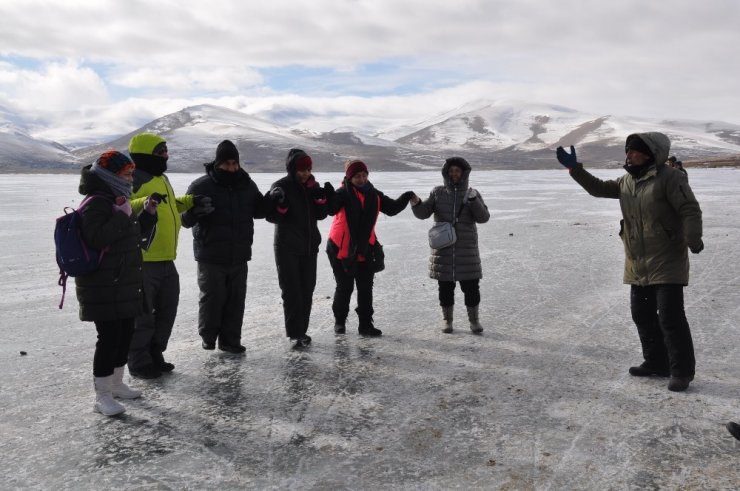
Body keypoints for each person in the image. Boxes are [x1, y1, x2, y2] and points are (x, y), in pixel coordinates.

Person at [556, 132, 703, 392]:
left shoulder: (670, 177)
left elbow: (688, 208)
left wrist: (693, 237)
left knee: (670, 316)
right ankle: (656, 362)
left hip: (666, 257)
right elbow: (599, 188)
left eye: (633, 151)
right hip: (637, 260)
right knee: (642, 315)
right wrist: (574, 169)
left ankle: (681, 371)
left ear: (649, 153)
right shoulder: (627, 181)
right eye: (627, 151)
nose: (628, 155)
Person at [76, 150, 159, 416]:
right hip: (104, 284)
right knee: (109, 337)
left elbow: (129, 237)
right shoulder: (97, 202)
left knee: (124, 334)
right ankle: (101, 396)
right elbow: (96, 238)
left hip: (122, 282)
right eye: (127, 173)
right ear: (110, 175)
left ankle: (116, 383)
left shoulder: (118, 198)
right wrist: (123, 215)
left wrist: (146, 214)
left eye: (132, 173)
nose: (132, 178)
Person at [127, 133, 212, 379]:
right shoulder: (136, 179)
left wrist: (189, 201)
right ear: (145, 154)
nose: (165, 155)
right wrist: (144, 202)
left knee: (166, 311)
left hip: (167, 259)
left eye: (165, 151)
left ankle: (155, 353)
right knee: (142, 316)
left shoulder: (160, 178)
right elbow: (122, 204)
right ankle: (139, 362)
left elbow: (169, 204)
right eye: (160, 151)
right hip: (143, 260)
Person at [181, 140, 266, 354]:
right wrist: (194, 212)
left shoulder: (247, 184)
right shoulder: (200, 186)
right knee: (212, 297)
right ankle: (208, 337)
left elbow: (259, 210)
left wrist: (273, 201)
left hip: (239, 253)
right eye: (227, 164)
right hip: (210, 253)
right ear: (218, 163)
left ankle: (231, 340)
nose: (232, 168)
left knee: (236, 300)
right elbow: (184, 220)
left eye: (234, 163)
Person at [326, 159, 416, 336]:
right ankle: (340, 322)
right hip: (341, 248)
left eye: (364, 175)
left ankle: (365, 325)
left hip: (366, 248)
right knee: (344, 287)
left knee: (366, 288)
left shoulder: (374, 195)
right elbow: (331, 209)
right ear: (349, 177)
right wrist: (328, 197)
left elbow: (392, 208)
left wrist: (407, 196)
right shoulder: (342, 193)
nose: (361, 179)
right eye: (357, 176)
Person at [410, 157, 490, 333]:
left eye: (457, 171)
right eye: (451, 171)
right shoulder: (438, 193)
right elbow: (423, 213)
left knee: (471, 288)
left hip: (466, 251)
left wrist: (474, 201)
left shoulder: (472, 193)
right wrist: (415, 203)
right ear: (446, 173)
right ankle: (447, 320)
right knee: (445, 288)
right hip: (444, 250)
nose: (454, 174)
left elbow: (483, 218)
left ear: (463, 173)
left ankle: (474, 320)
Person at [265, 149, 333, 348]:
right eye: (302, 169)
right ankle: (295, 333)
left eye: (308, 169)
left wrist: (322, 201)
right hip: (287, 248)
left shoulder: (313, 186)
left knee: (307, 289)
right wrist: (280, 205)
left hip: (310, 247)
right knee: (292, 290)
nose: (305, 173)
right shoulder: (280, 186)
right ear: (292, 169)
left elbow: (320, 215)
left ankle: (302, 330)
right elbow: (271, 217)